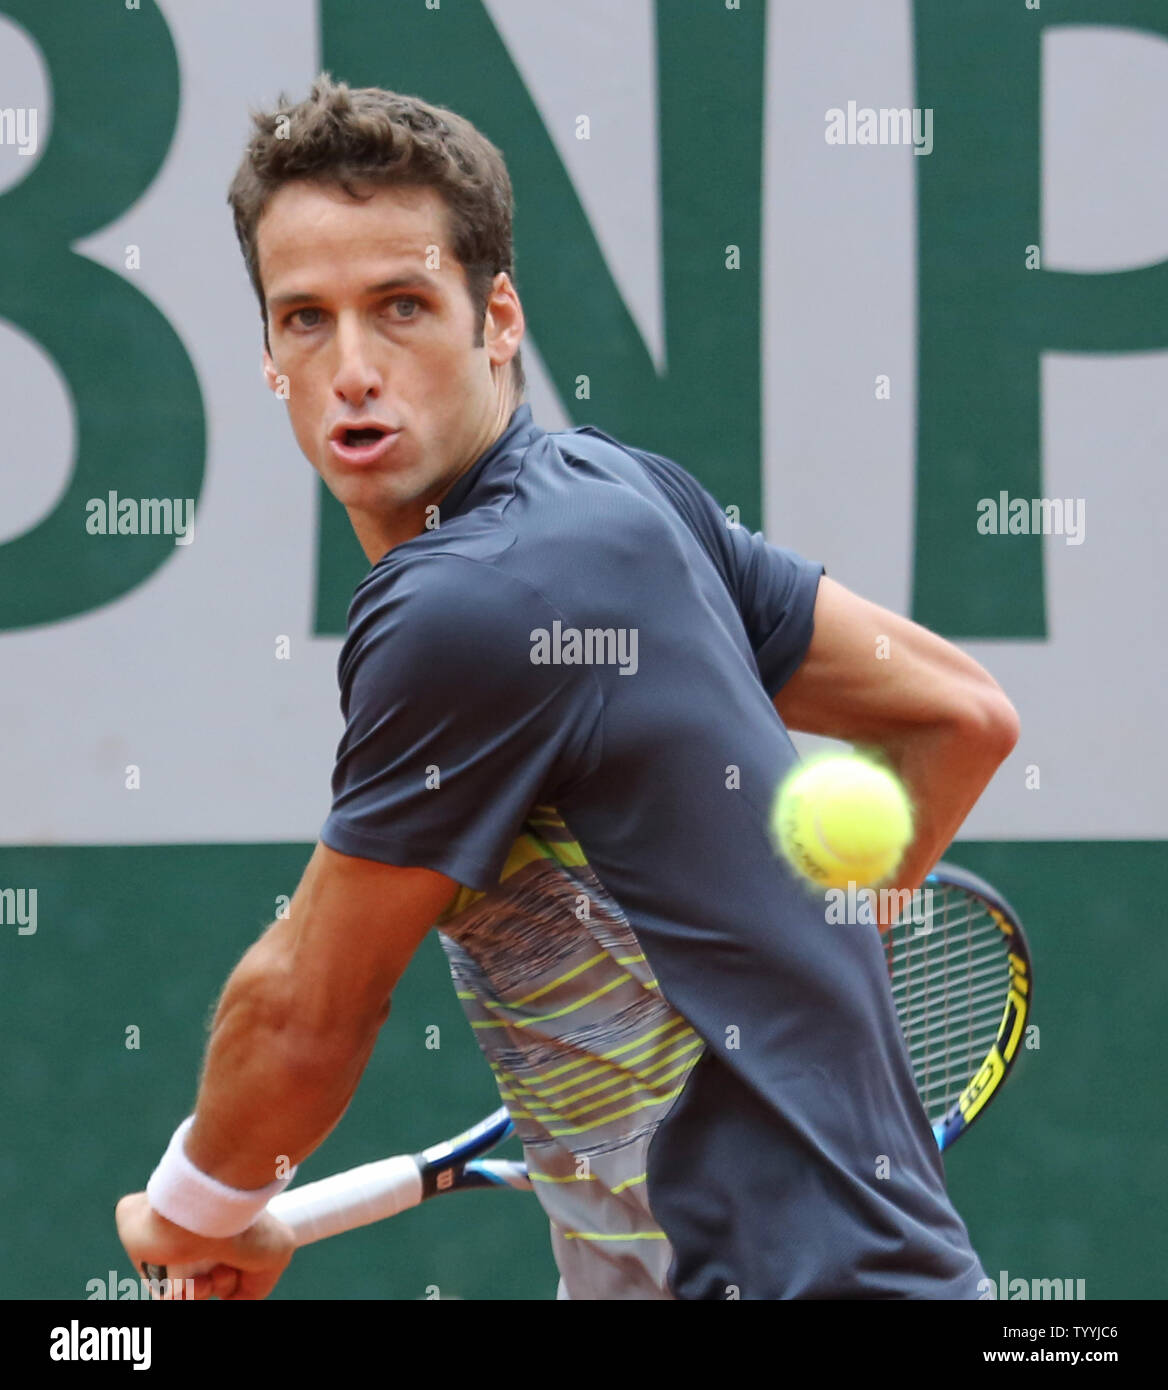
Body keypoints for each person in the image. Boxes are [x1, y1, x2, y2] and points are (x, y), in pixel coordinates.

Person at [116, 75, 1019, 1301]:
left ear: (497, 319)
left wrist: (193, 1205)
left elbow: (305, 1014)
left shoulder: (470, 601)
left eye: (400, 307)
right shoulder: (623, 495)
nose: (354, 369)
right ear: (269, 351)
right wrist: (795, 999)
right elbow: (956, 717)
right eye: (304, 321)